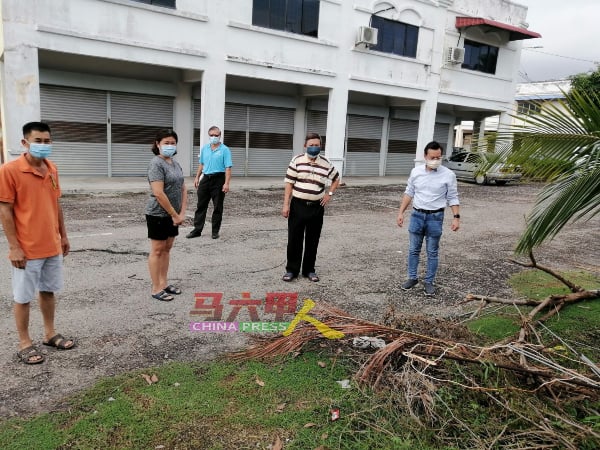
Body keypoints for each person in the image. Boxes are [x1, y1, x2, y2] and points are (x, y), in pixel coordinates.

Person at [0, 121, 75, 364]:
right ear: (25, 143)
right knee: (23, 297)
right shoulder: (9, 171)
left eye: (47, 141)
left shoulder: (51, 168)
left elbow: (56, 204)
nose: (43, 145)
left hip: (51, 245)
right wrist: (14, 247)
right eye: (38, 141)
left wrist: (63, 236)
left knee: (48, 291)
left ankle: (49, 333)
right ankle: (24, 343)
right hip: (27, 248)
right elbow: (5, 210)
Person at [396, 141, 460, 296]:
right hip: (417, 215)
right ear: (425, 156)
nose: (436, 160)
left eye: (438, 157)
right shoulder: (416, 172)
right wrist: (400, 212)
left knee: (432, 251)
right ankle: (412, 278)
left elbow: (453, 197)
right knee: (413, 250)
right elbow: (409, 192)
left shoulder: (448, 175)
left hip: (435, 217)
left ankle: (429, 282)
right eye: (432, 157)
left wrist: (456, 217)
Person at [282, 132, 340, 282]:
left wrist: (330, 194)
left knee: (312, 240)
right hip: (298, 205)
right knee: (294, 239)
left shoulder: (326, 163)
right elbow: (289, 183)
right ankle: (291, 270)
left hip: (316, 208)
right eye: (311, 145)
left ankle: (309, 270)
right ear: (305, 146)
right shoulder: (297, 161)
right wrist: (286, 205)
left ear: (321, 146)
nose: (314, 148)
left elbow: (336, 179)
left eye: (317, 145)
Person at [146, 129, 187, 302]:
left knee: (167, 249)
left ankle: (164, 283)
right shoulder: (156, 163)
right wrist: (173, 214)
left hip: (174, 215)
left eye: (173, 143)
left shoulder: (175, 164)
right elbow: (158, 193)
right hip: (158, 214)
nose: (170, 146)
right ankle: (156, 288)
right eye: (166, 143)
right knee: (157, 250)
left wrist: (181, 213)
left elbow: (183, 188)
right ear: (157, 144)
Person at [186, 126, 232, 240]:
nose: (214, 137)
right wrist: (197, 177)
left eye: (216, 135)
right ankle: (197, 230)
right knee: (201, 205)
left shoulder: (225, 150)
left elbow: (228, 168)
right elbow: (201, 164)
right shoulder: (205, 149)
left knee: (217, 206)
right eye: (211, 135)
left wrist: (226, 183)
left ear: (220, 136)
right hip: (206, 178)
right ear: (209, 136)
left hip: (219, 179)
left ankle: (215, 231)